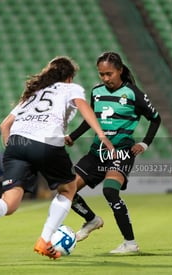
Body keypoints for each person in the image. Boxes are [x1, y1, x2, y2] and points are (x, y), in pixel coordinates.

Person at [0, 56, 114, 259]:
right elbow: (84, 108)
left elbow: (4, 125)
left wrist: (13, 152)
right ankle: (44, 240)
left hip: (16, 143)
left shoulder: (33, 93)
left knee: (9, 202)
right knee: (68, 188)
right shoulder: (70, 88)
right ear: (69, 77)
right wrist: (102, 134)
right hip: (46, 141)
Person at [64, 51, 161, 254]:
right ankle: (91, 220)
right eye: (102, 74)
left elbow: (155, 118)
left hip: (121, 152)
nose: (106, 79)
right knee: (66, 191)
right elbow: (91, 119)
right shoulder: (97, 91)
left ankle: (130, 244)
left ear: (120, 70)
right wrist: (72, 136)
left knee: (110, 190)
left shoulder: (134, 93)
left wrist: (144, 144)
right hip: (96, 152)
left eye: (109, 74)